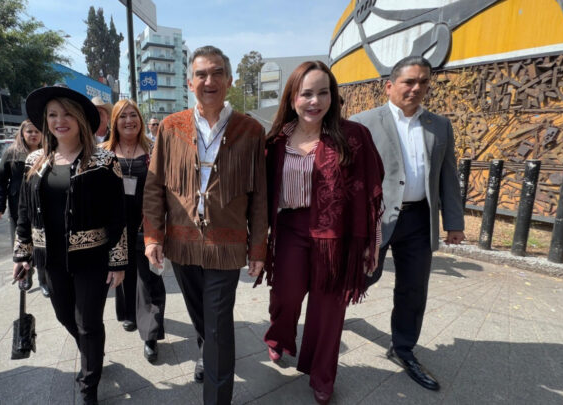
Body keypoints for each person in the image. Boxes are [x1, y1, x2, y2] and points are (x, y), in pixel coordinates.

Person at [143, 45, 267, 405]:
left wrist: (258, 248)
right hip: (181, 244)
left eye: (216, 73)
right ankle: (206, 350)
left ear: (229, 80)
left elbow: (260, 196)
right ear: (189, 82)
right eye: (201, 74)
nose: (208, 81)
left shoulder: (251, 130)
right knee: (202, 319)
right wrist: (153, 236)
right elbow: (154, 188)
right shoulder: (169, 128)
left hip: (226, 248)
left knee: (217, 326)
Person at [258, 61, 384, 404]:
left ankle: (322, 375)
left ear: (333, 96)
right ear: (293, 97)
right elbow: (261, 192)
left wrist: (366, 244)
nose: (315, 101)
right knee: (285, 295)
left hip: (337, 234)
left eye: (323, 93)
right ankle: (280, 336)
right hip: (290, 228)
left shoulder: (352, 135)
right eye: (306, 93)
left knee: (329, 310)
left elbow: (369, 188)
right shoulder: (277, 139)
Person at [350, 56, 465, 391]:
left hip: (418, 218)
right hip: (376, 218)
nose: (417, 88)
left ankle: (402, 348)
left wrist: (453, 222)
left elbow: (448, 175)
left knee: (414, 288)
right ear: (390, 85)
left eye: (424, 82)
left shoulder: (439, 125)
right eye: (409, 81)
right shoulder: (363, 123)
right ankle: (326, 324)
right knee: (360, 277)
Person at [13, 86, 128, 405]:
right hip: (51, 259)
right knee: (65, 316)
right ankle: (93, 352)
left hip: (92, 259)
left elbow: (118, 214)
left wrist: (117, 262)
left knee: (88, 321)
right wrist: (22, 254)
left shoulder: (104, 161)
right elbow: (24, 210)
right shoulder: (35, 161)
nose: (59, 120)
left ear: (79, 119)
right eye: (52, 115)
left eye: (66, 114)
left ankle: (88, 383)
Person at [100, 99, 166, 363]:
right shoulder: (103, 152)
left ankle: (150, 334)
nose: (129, 120)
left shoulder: (154, 149)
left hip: (145, 224)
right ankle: (128, 313)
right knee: (123, 272)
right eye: (123, 116)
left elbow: (164, 188)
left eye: (133, 115)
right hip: (115, 225)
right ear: (114, 122)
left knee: (149, 279)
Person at [0, 120, 47, 295]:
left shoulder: (48, 152)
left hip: (41, 206)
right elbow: (0, 180)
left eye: (37, 131)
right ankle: (25, 275)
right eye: (29, 131)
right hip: (18, 207)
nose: (33, 135)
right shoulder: (12, 153)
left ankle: (44, 280)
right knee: (21, 242)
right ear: (22, 133)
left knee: (41, 243)